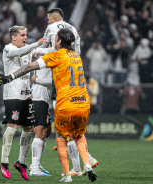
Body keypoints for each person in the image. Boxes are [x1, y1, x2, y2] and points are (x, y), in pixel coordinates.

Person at [0, 28, 97, 182]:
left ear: (59, 41)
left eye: (56, 38)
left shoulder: (54, 55)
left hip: (62, 102)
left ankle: (65, 174)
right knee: (77, 135)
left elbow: (31, 66)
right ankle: (85, 164)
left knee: (56, 135)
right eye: (23, 35)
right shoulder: (77, 56)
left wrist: (9, 77)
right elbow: (25, 52)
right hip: (83, 103)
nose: (25, 37)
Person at [41, 8, 99, 177]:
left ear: (53, 17)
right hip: (74, 81)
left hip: (60, 81)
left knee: (64, 132)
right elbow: (76, 53)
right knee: (76, 133)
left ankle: (76, 168)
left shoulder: (53, 29)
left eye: (48, 19)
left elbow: (47, 48)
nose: (48, 22)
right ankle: (86, 161)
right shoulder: (73, 30)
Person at [0, 25, 49, 180]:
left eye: (26, 35)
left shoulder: (28, 49)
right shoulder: (8, 49)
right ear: (13, 37)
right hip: (12, 94)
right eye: (22, 35)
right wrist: (36, 44)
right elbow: (21, 51)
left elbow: (40, 52)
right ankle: (4, 162)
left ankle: (21, 162)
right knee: (12, 127)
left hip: (27, 95)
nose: (25, 37)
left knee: (29, 128)